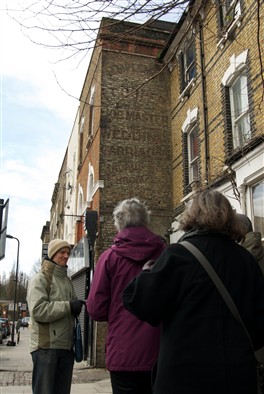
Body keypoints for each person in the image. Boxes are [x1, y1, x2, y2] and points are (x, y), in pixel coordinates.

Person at [123, 190, 264, 394]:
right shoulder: (246, 260)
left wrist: (145, 274)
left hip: (183, 378)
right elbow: (260, 325)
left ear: (192, 216)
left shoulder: (178, 256)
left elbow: (140, 303)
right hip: (237, 378)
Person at [86, 197, 167, 394]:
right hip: (160, 353)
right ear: (146, 220)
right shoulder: (165, 253)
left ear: (118, 223)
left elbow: (96, 309)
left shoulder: (108, 258)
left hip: (123, 353)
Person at [27, 239, 85, 394]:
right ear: (53, 254)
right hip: (46, 349)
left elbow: (66, 309)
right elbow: (38, 310)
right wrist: (68, 306)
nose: (66, 256)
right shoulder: (40, 279)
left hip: (66, 349)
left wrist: (75, 309)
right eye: (62, 252)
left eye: (68, 253)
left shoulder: (67, 280)